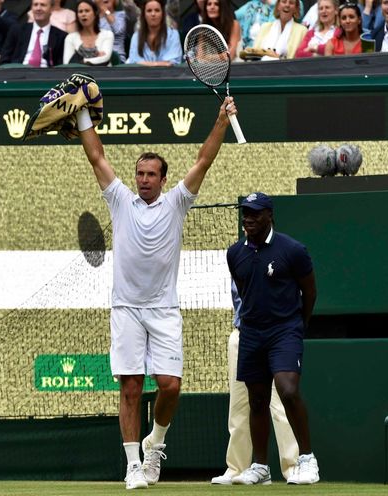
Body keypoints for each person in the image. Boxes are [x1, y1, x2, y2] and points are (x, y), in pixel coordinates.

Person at [76, 91, 238, 489]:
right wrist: (81, 113)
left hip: (164, 309)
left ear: (164, 180)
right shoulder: (119, 200)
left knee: (170, 386)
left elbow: (204, 159)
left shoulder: (177, 202)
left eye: (151, 174)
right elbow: (96, 156)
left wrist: (221, 120)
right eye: (140, 173)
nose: (144, 179)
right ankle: (134, 465)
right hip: (126, 308)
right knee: (130, 386)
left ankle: (156, 441)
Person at [226, 192, 318, 485]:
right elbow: (245, 290)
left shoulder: (292, 249)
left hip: (285, 330)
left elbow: (310, 292)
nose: (248, 218)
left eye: (255, 213)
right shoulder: (235, 253)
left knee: (288, 390)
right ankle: (260, 467)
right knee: (257, 400)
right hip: (251, 332)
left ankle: (307, 460)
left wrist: (297, 326)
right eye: (245, 213)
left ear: (269, 215)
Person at [210, 279, 299, 485]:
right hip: (243, 335)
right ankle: (236, 468)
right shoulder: (238, 255)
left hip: (277, 336)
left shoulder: (282, 254)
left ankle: (293, 467)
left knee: (280, 405)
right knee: (239, 406)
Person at [0, 0, 67, 66]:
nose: (38, 8)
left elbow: (60, 66)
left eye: (43, 5)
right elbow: (4, 59)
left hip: (47, 75)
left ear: (51, 9)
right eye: (35, 5)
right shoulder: (17, 30)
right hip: (19, 72)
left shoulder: (60, 36)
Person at [126, 0, 183, 65]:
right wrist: (158, 64)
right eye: (149, 11)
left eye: (157, 10)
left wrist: (147, 64)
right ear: (144, 15)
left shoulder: (173, 35)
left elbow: (173, 62)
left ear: (162, 14)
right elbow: (134, 62)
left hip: (166, 75)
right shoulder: (136, 37)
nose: (153, 14)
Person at [64, 0, 114, 64]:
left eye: (87, 11)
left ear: (95, 14)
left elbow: (105, 58)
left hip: (102, 73)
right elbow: (67, 64)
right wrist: (96, 58)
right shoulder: (70, 38)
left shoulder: (107, 34)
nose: (83, 14)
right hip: (78, 73)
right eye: (80, 11)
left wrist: (81, 61)